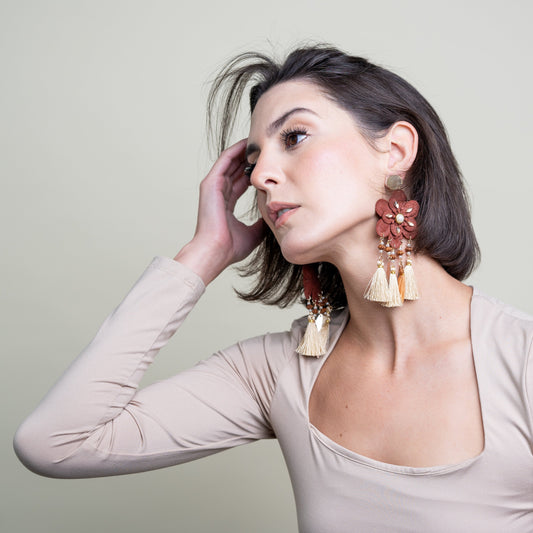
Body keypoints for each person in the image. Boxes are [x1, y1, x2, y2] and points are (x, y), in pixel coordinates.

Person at [14, 45, 533, 532]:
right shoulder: (276, 373)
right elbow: (55, 444)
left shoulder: (521, 361)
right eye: (252, 160)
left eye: (296, 136)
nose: (261, 176)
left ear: (395, 149)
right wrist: (205, 252)